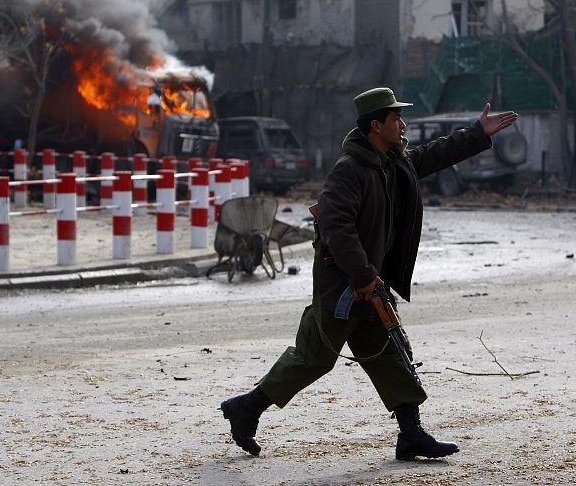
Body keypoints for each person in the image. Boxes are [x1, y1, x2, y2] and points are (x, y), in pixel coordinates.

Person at [221, 87, 519, 460]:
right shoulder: (350, 170)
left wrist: (477, 133)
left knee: (391, 352)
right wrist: (362, 277)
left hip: (369, 284)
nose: (403, 124)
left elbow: (434, 154)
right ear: (376, 125)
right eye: (396, 119)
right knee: (313, 358)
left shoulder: (393, 162)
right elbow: (336, 226)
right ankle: (245, 408)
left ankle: (411, 434)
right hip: (344, 287)